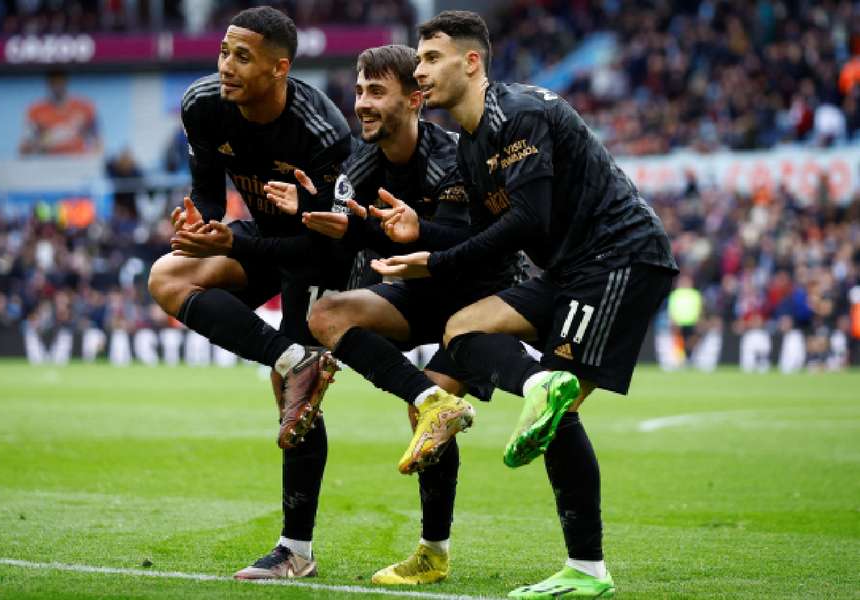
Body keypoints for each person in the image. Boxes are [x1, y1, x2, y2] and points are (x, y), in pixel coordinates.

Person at [372, 11, 679, 599]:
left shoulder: (521, 113)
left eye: (432, 58)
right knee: (463, 328)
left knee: (558, 409)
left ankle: (586, 569)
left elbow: (527, 221)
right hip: (570, 267)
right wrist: (424, 233)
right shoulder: (470, 145)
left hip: (619, 258)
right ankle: (539, 385)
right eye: (418, 60)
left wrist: (435, 263)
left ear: (472, 61)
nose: (420, 70)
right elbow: (486, 239)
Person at [288, 44, 516, 585]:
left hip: (477, 295)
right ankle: (432, 400)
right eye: (360, 90)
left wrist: (405, 235)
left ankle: (433, 552)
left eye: (376, 92)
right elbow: (352, 245)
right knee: (328, 317)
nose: (362, 103)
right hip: (414, 290)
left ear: (415, 100)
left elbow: (471, 245)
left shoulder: (454, 157)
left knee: (429, 427)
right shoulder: (360, 164)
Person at [146, 6, 353, 580]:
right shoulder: (202, 106)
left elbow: (328, 245)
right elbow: (209, 192)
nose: (226, 67)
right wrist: (202, 222)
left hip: (316, 256)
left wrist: (237, 246)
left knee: (293, 401)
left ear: (280, 67)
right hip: (259, 241)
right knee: (167, 275)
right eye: (223, 52)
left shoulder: (323, 132)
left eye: (242, 57)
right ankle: (297, 361)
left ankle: (296, 551)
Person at [19, 70, 100, 156]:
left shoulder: (84, 107)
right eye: (54, 83)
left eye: (60, 82)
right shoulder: (35, 111)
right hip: (48, 162)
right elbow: (24, 147)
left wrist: (93, 159)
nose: (57, 87)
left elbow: (97, 140)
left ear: (66, 83)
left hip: (78, 160)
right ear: (48, 85)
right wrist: (45, 142)